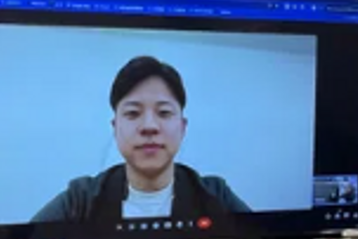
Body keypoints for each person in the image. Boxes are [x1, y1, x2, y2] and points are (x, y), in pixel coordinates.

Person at [31, 56, 250, 226]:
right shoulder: (80, 201)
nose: (149, 126)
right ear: (115, 127)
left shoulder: (215, 195)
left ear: (182, 127)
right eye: (133, 113)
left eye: (164, 113)